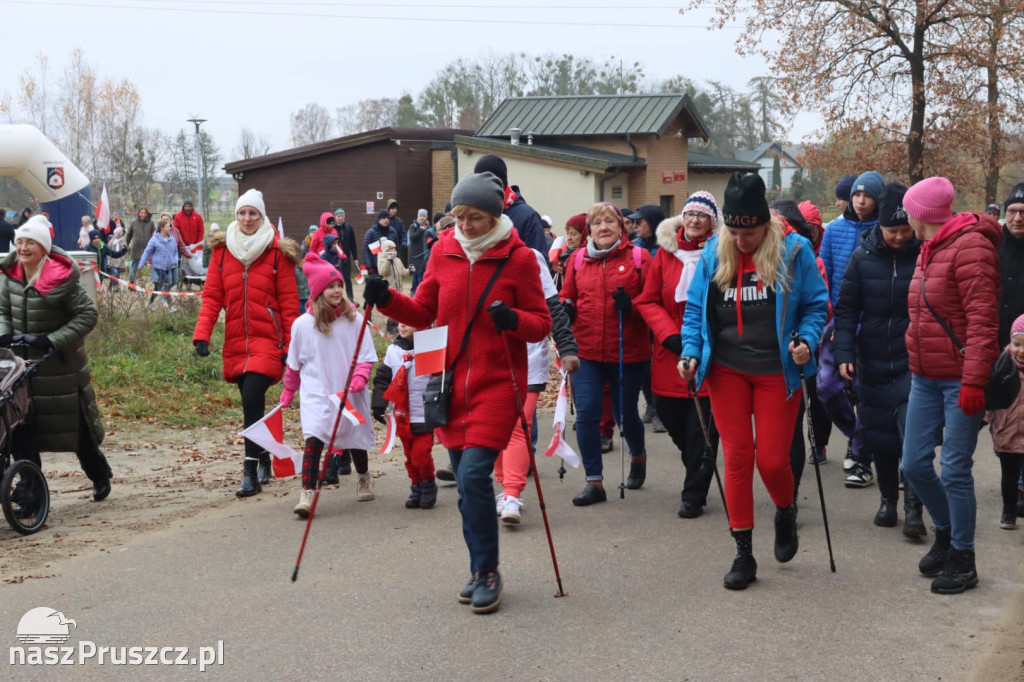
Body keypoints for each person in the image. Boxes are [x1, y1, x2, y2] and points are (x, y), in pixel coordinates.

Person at [362, 171, 552, 615]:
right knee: (468, 490)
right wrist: (385, 297)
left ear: (495, 217)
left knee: (471, 478)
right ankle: (477, 567)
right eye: (460, 216)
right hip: (447, 384)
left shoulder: (519, 260)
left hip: (498, 384)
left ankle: (489, 572)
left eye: (476, 218)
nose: (465, 226)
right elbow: (424, 311)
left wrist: (514, 321)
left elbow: (540, 323)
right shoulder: (442, 252)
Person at [679, 172, 829, 590]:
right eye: (734, 231)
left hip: (776, 373)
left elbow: (817, 306)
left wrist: (808, 340)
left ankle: (785, 510)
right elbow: (694, 312)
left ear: (765, 224)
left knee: (772, 461)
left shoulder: (794, 251)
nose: (741, 241)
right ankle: (743, 553)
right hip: (726, 370)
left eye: (750, 232)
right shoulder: (713, 251)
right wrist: (690, 352)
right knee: (738, 458)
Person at [900, 176, 1001, 595]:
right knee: (914, 465)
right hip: (924, 377)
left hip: (960, 379)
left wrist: (974, 381)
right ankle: (945, 531)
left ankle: (963, 557)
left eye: (908, 208)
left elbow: (982, 322)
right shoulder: (930, 248)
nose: (904, 215)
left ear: (920, 214)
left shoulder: (971, 246)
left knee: (956, 469)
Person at [193, 189, 301, 497]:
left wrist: (293, 346)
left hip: (270, 340)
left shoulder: (277, 252)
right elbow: (212, 296)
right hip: (237, 341)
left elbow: (290, 304)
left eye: (253, 213)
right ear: (236, 216)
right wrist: (202, 334)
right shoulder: (223, 251)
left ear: (262, 216)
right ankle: (264, 454)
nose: (247, 219)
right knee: (250, 402)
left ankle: (250, 471)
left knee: (252, 397)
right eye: (242, 213)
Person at [833, 183, 926, 535]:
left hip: (912, 360)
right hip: (870, 358)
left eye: (905, 230)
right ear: (880, 227)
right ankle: (888, 501)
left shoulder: (923, 254)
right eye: (892, 231)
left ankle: (914, 507)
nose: (900, 237)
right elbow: (846, 309)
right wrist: (843, 352)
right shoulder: (862, 256)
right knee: (880, 434)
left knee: (912, 436)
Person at [0, 215, 111, 501]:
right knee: (21, 430)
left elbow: (88, 315)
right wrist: (4, 334)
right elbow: (2, 310)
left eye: (31, 243)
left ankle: (97, 471)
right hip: (18, 369)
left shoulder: (60, 276)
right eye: (20, 242)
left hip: (59, 366)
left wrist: (50, 340)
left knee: (73, 429)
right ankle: (31, 492)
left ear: (44, 248)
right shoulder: (9, 274)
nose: (23, 248)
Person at [560, 202, 652, 506]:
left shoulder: (640, 258)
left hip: (628, 351)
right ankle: (594, 482)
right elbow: (566, 298)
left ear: (621, 226)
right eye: (597, 222)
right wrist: (567, 309)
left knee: (625, 414)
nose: (603, 227)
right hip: (586, 351)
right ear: (590, 229)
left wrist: (633, 306)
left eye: (610, 221)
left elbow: (655, 302)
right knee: (587, 414)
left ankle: (637, 455)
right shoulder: (577, 260)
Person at [636, 191, 720, 518]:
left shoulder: (722, 253)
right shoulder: (665, 255)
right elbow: (647, 300)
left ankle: (693, 493)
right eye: (690, 214)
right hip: (669, 352)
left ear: (712, 221)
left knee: (703, 430)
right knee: (672, 419)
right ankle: (698, 466)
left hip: (710, 352)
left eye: (702, 215)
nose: (695, 220)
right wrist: (668, 334)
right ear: (681, 219)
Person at [282, 253, 378, 517]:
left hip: (348, 391)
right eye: (330, 287)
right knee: (313, 440)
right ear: (317, 291)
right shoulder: (302, 325)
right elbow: (294, 364)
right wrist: (289, 390)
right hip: (316, 392)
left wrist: (360, 377)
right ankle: (307, 493)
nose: (336, 291)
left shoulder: (355, 320)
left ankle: (364, 476)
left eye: (339, 286)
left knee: (354, 439)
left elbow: (366, 356)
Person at [494, 248, 579, 524]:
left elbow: (552, 306)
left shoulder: (528, 256)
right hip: (488, 357)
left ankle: (511, 494)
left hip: (528, 355)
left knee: (521, 424)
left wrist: (566, 346)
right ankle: (503, 484)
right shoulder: (467, 252)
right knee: (495, 427)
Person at [819, 171, 884, 482]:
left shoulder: (886, 231)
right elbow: (825, 275)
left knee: (864, 393)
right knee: (827, 388)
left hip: (874, 324)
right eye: (857, 194)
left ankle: (862, 458)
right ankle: (856, 438)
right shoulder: (834, 230)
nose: (860, 200)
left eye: (868, 195)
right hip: (839, 322)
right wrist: (826, 320)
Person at [371, 322, 437, 509]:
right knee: (409, 455)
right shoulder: (393, 350)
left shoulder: (430, 347)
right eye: (399, 321)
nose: (402, 325)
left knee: (421, 454)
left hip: (424, 413)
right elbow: (383, 379)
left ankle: (428, 482)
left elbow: (440, 377)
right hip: (401, 414)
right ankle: (416, 485)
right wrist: (378, 405)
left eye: (408, 321)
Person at [628, 204, 667, 431]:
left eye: (639, 222)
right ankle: (651, 405)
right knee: (645, 364)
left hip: (662, 312)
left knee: (659, 363)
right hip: (640, 312)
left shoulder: (668, 248)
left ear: (652, 224)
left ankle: (661, 409)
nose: (634, 227)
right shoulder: (634, 247)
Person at [473, 154, 548, 253]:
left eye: (484, 185)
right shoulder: (474, 213)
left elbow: (539, 262)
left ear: (501, 185)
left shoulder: (528, 217)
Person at [989, 314, 1024, 529]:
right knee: (1009, 476)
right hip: (1007, 430)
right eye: (1017, 344)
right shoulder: (1004, 368)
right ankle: (1008, 510)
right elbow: (991, 399)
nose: (1021, 350)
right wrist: (981, 419)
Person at [139, 218, 180, 310]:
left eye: (170, 226)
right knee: (166, 282)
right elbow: (147, 252)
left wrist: (175, 260)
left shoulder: (172, 239)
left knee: (158, 285)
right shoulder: (154, 240)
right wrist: (141, 263)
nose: (170, 228)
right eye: (168, 226)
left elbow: (175, 251)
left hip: (169, 265)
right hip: (158, 265)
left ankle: (150, 303)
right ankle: (166, 303)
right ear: (162, 228)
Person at [334, 208, 358, 299]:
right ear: (335, 217)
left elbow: (353, 243)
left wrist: (355, 257)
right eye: (338, 216)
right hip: (336, 258)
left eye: (342, 216)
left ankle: (350, 298)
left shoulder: (349, 227)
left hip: (346, 258)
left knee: (347, 279)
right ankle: (338, 298)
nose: (340, 218)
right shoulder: (333, 229)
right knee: (336, 280)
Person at [362, 210, 396, 275]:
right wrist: (369, 267)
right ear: (379, 219)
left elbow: (397, 249)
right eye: (383, 218)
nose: (386, 220)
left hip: (390, 266)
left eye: (388, 218)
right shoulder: (370, 233)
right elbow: (365, 250)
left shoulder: (393, 232)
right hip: (375, 267)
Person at [127, 208, 155, 283]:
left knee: (151, 264)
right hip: (136, 247)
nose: (143, 215)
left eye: (144, 213)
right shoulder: (134, 223)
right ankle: (132, 282)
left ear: (147, 214)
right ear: (139, 214)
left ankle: (155, 281)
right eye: (141, 213)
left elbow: (154, 234)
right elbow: (129, 235)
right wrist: (126, 244)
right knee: (135, 265)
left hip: (148, 247)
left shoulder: (151, 223)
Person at [407, 209, 431, 295]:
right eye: (420, 216)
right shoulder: (413, 227)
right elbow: (412, 238)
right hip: (414, 256)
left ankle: (418, 292)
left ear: (426, 217)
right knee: (417, 275)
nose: (422, 218)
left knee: (421, 275)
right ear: (417, 216)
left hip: (424, 255)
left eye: (424, 216)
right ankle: (414, 292)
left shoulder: (429, 228)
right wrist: (420, 230)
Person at [105, 227, 128, 291]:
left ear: (120, 234)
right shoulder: (112, 241)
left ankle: (111, 283)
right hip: (113, 261)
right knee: (115, 273)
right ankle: (115, 286)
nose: (115, 235)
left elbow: (125, 251)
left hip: (120, 261)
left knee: (117, 274)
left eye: (116, 233)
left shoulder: (123, 242)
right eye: (114, 233)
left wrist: (123, 258)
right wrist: (109, 258)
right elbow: (108, 250)